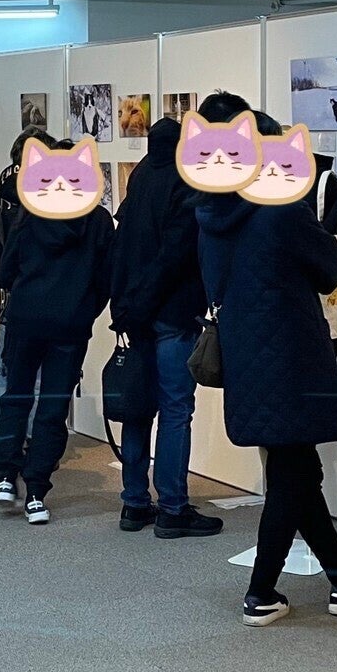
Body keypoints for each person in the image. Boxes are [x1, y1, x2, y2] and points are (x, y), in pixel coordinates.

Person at [196, 92, 337, 627]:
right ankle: (261, 592)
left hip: (248, 353)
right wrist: (324, 223)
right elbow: (329, 269)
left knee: (297, 468)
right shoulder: (279, 209)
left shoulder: (211, 209)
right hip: (288, 354)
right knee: (294, 474)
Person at [109, 115, 222, 539]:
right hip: (173, 313)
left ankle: (135, 503)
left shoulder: (140, 176)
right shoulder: (186, 181)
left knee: (138, 407)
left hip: (136, 315)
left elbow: (123, 244)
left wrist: (126, 306)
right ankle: (173, 507)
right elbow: (174, 256)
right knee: (175, 409)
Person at [0, 155, 114, 525]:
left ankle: (6, 475)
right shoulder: (98, 221)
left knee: (16, 396)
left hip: (25, 320)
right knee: (53, 407)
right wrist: (84, 311)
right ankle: (36, 494)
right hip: (70, 325)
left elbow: (6, 269)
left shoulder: (30, 214)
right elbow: (105, 278)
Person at [0, 126, 55, 438]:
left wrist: (3, 283)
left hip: (10, 302)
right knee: (40, 373)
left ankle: (1, 427)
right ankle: (31, 433)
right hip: (45, 300)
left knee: (5, 367)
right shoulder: (49, 204)